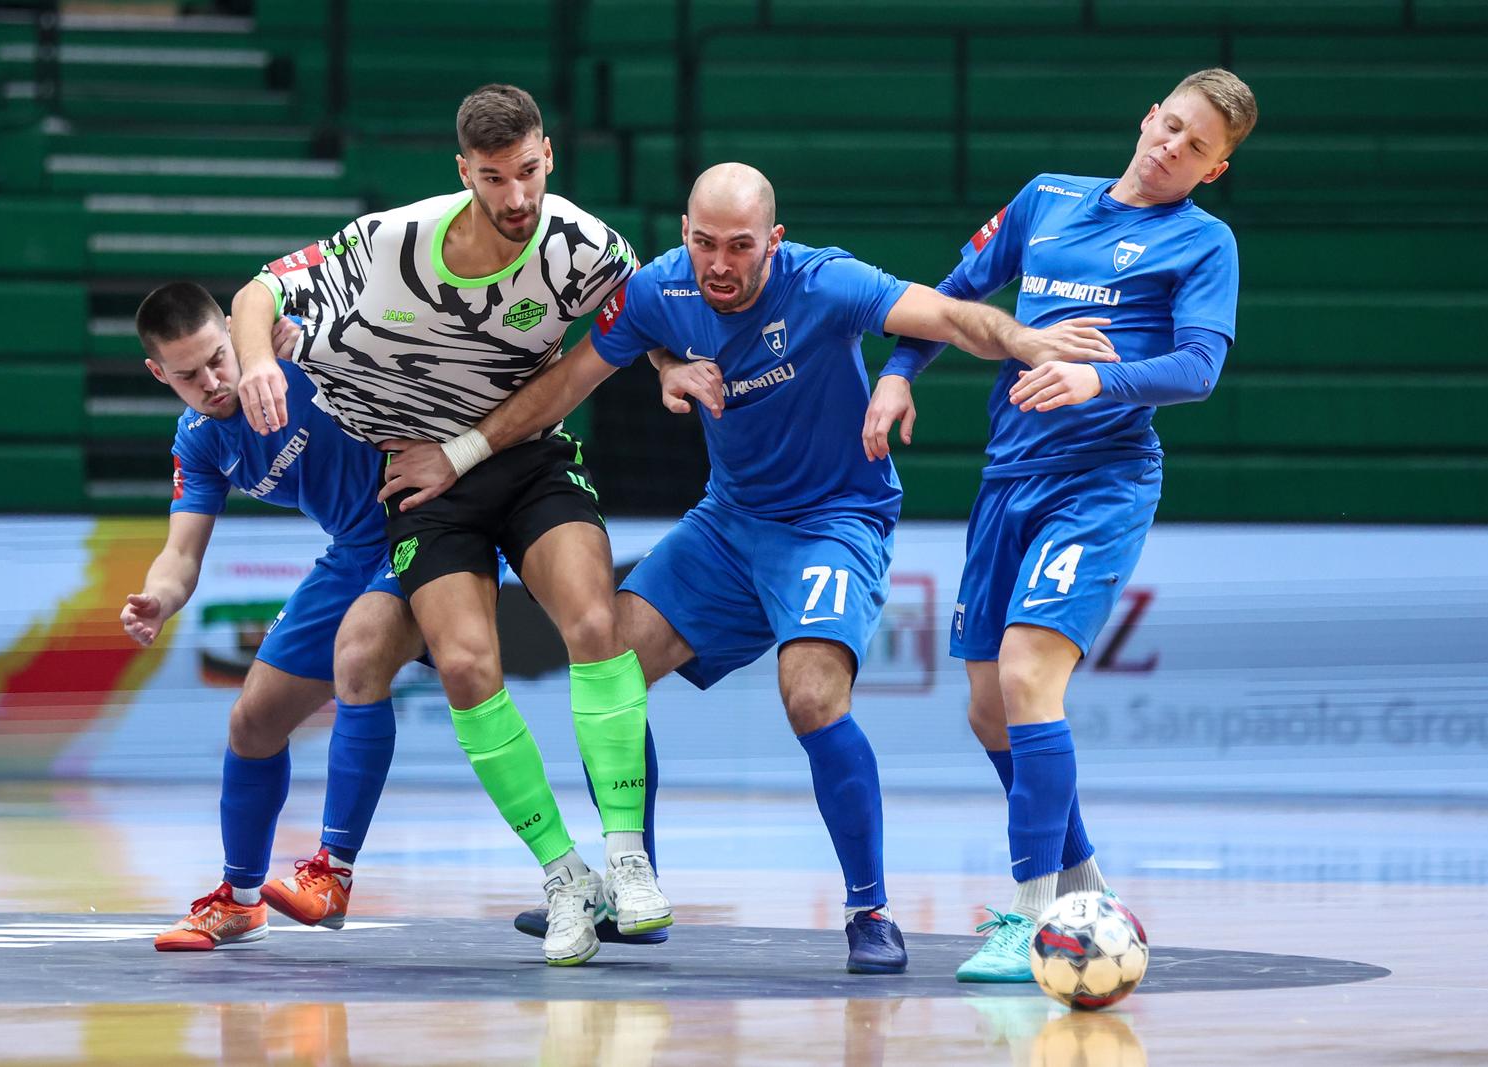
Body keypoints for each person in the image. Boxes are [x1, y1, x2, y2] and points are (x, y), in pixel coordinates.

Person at [381, 161, 1119, 973]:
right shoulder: (664, 290)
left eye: (739, 246)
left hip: (834, 521)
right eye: (703, 243)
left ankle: (869, 909)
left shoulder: (827, 282)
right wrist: (460, 454)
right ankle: (636, 889)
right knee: (610, 659)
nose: (720, 264)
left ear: (774, 239)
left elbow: (945, 313)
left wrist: (1021, 339)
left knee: (809, 694)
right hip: (729, 525)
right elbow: (564, 385)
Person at [228, 84, 670, 967]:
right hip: (422, 486)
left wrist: (670, 365)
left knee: (594, 621)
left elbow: (647, 311)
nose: (517, 199)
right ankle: (563, 874)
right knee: (467, 664)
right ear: (464, 172)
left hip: (529, 456)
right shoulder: (388, 244)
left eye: (531, 172)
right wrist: (253, 367)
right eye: (496, 179)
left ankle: (629, 861)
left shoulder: (581, 244)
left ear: (550, 153)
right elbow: (254, 291)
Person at [865, 68, 1259, 981]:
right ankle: (1083, 882)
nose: (1171, 148)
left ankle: (1035, 915)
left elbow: (1198, 367)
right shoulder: (1047, 199)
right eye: (1170, 126)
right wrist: (896, 374)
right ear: (1147, 114)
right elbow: (953, 296)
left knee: (1028, 673)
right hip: (1009, 475)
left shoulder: (1203, 243)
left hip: (1102, 480)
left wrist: (1098, 378)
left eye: (1196, 147)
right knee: (987, 707)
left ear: (1215, 169)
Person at [127, 282, 427, 951]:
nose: (211, 380)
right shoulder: (200, 441)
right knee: (253, 720)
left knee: (359, 658)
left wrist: (323, 346)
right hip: (354, 549)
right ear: (158, 373)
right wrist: (159, 598)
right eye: (186, 374)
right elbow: (180, 552)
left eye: (216, 358)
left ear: (234, 332)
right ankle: (239, 900)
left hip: (432, 520)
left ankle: (333, 872)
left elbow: (403, 338)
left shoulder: (294, 343)